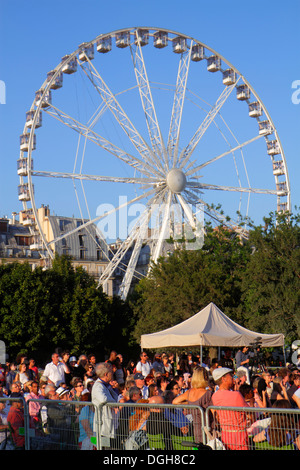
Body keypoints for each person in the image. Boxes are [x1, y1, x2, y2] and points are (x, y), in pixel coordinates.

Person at [211, 367, 250, 450]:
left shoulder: (215, 396)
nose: (233, 377)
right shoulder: (236, 395)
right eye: (230, 375)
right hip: (239, 435)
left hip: (226, 434)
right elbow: (250, 412)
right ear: (223, 379)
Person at [173, 366, 213, 444]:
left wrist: (190, 403)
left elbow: (175, 401)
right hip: (208, 429)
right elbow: (215, 413)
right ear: (205, 377)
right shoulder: (208, 393)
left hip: (196, 430)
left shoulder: (189, 392)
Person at [91, 362, 118, 445]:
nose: (112, 373)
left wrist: (114, 389)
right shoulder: (98, 386)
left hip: (109, 422)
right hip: (102, 425)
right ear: (106, 374)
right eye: (111, 372)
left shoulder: (106, 385)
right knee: (105, 447)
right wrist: (113, 403)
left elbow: (116, 398)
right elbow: (103, 399)